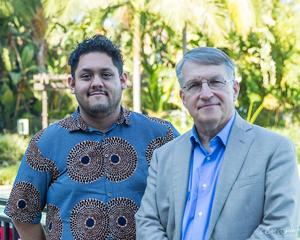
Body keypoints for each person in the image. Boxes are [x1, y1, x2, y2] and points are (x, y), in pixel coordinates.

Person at [5, 35, 179, 240]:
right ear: (72, 83)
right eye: (86, 76)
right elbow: (22, 212)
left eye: (106, 75)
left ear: (123, 80)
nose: (97, 83)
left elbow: (190, 198)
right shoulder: (46, 143)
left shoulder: (161, 136)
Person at [135, 47, 300, 240]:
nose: (206, 94)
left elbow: (280, 227)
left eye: (215, 82)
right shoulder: (163, 156)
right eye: (195, 85)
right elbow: (147, 221)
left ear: (235, 90)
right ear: (183, 98)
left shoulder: (275, 150)